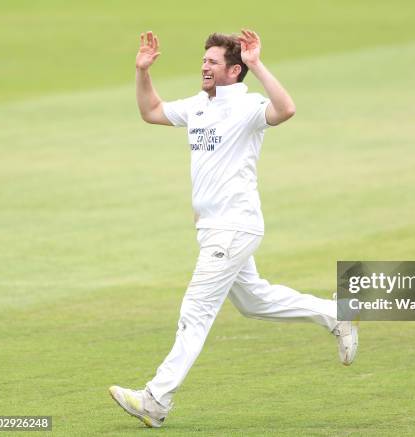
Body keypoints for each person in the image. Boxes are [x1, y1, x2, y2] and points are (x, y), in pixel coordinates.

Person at [109, 29, 358, 428]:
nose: (204, 66)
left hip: (233, 227)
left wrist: (258, 65)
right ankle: (335, 314)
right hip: (213, 229)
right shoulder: (198, 106)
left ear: (233, 70)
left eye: (212, 61)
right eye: (204, 59)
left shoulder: (248, 106)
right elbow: (151, 112)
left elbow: (287, 109)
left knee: (195, 312)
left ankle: (155, 400)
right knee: (254, 301)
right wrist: (142, 72)